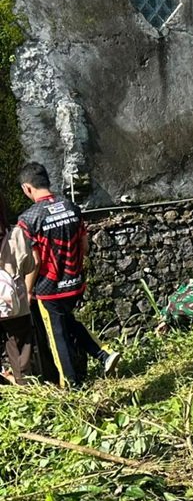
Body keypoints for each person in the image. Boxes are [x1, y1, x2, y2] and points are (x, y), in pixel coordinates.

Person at [16, 162, 119, 387]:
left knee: (57, 336)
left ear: (27, 188)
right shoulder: (70, 206)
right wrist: (75, 271)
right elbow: (84, 244)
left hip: (49, 289)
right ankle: (103, 354)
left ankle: (70, 384)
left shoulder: (28, 219)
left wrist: (28, 289)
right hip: (73, 283)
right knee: (67, 322)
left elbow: (35, 260)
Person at [0, 195, 37, 384]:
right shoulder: (16, 234)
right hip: (15, 303)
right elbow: (31, 265)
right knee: (20, 344)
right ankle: (23, 382)